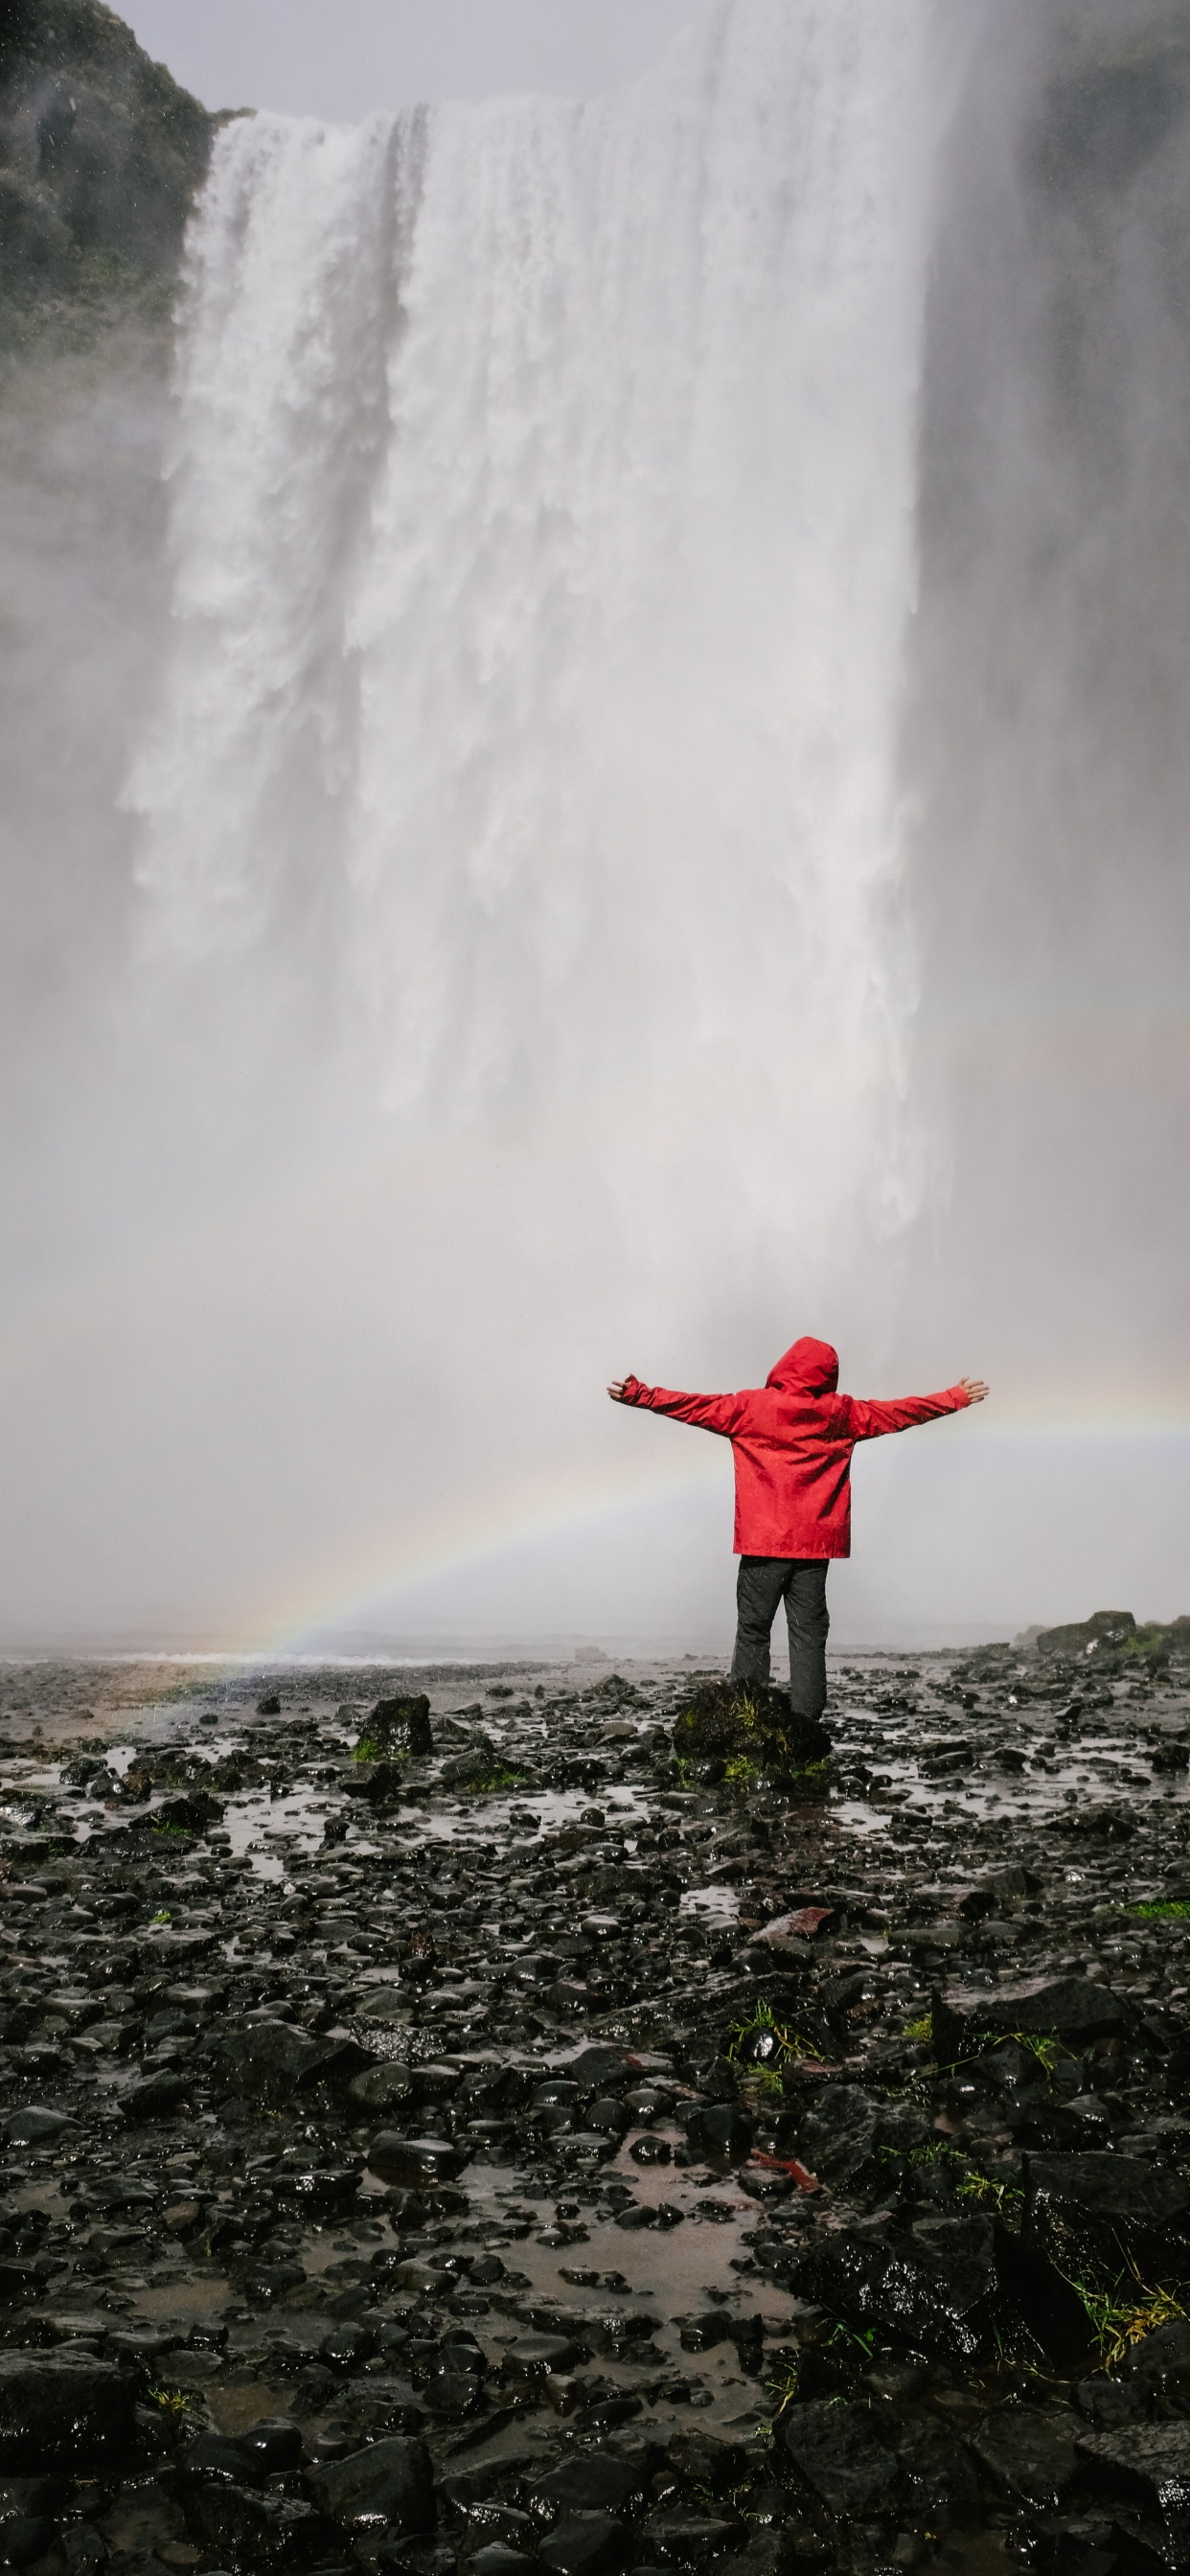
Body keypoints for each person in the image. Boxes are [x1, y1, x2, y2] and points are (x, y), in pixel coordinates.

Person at [608, 1338, 988, 1718]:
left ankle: (748, 1714)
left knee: (754, 1629)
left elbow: (692, 1407)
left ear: (784, 1365)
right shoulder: (842, 1413)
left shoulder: (750, 1407)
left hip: (763, 1545)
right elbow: (900, 1413)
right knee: (808, 1634)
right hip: (814, 1548)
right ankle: (806, 1721)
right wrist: (953, 1397)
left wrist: (639, 1394)